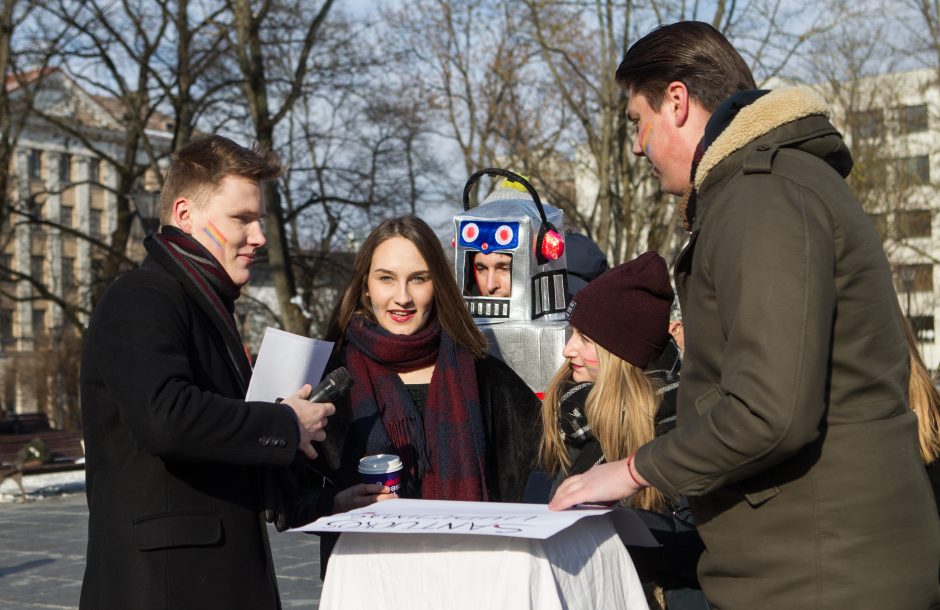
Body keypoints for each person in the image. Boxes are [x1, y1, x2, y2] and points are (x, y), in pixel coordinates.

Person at [550, 21, 940, 608]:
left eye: (637, 121)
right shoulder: (763, 190)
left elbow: (768, 410)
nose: (636, 145)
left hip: (821, 579)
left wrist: (632, 470)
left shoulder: (764, 195)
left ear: (677, 101)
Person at [79, 135, 335, 610]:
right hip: (164, 587)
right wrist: (283, 423)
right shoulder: (143, 296)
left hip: (206, 579)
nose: (258, 236)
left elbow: (221, 448)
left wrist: (330, 497)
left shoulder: (203, 305)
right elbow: (166, 417)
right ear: (184, 214)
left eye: (259, 219)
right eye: (242, 219)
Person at [299, 216, 540, 573]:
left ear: (437, 285)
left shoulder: (487, 377)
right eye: (386, 278)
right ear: (365, 286)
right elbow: (287, 499)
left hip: (472, 577)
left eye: (418, 279)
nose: (402, 297)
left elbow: (538, 478)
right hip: (367, 578)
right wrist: (334, 503)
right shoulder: (330, 381)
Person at [541, 252, 706, 610]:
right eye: (572, 333)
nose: (568, 349)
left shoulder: (684, 426)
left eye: (585, 338)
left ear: (619, 353)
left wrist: (620, 527)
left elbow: (702, 548)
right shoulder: (563, 412)